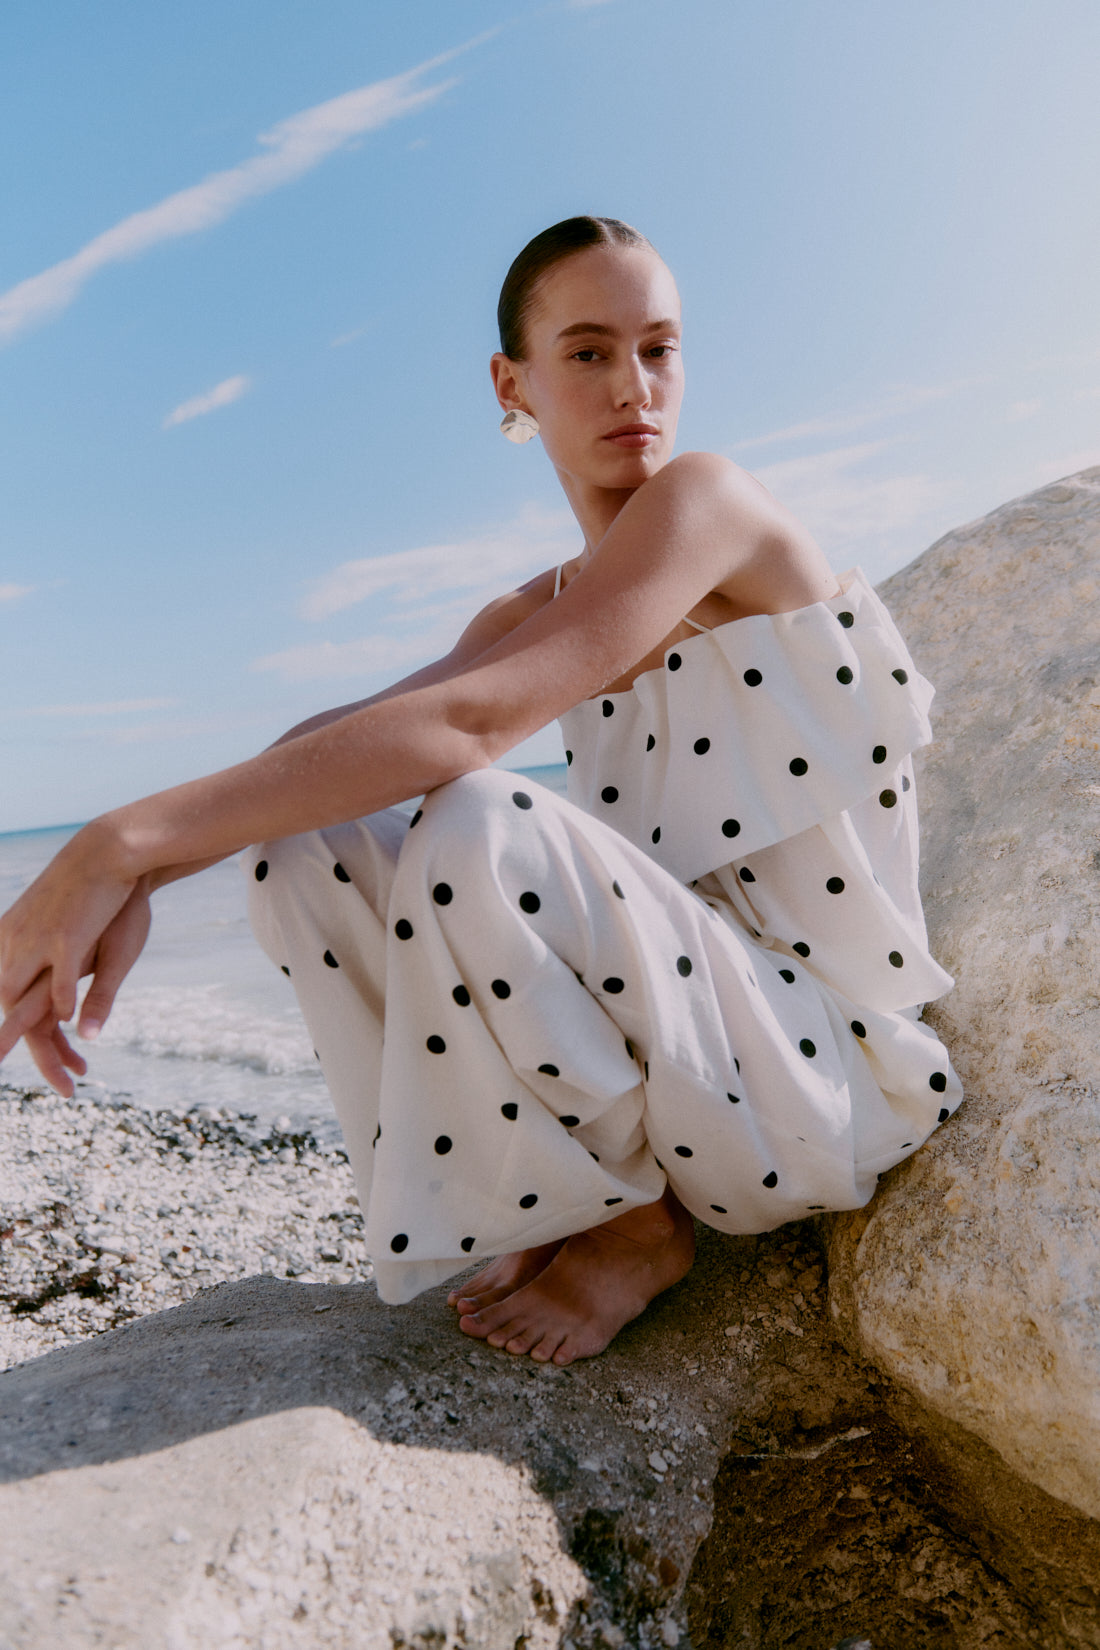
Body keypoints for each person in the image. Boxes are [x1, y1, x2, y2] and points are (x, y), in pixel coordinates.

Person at [0, 216, 961, 1367]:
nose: (633, 386)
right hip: (687, 1078)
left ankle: (634, 1230)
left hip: (816, 1078)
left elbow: (469, 727)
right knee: (312, 844)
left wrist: (109, 842)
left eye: (658, 348)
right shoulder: (526, 615)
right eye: (589, 352)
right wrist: (144, 869)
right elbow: (339, 746)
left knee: (477, 813)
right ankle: (552, 1197)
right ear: (512, 383)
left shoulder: (707, 506)